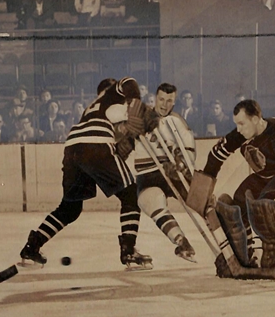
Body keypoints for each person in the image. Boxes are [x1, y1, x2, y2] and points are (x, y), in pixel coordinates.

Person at [19, 77, 152, 269]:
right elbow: (128, 81)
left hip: (73, 145)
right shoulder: (111, 93)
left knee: (69, 209)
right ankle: (129, 251)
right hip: (95, 144)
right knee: (131, 194)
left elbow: (115, 151)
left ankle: (32, 247)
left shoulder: (92, 109)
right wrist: (137, 105)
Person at [199, 99, 275, 275]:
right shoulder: (243, 134)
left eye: (242, 123)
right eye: (236, 124)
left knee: (264, 205)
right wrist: (204, 188)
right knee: (240, 201)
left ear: (256, 119)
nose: (238, 129)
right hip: (268, 175)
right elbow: (216, 155)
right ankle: (246, 255)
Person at [131, 83, 196, 261]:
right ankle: (181, 241)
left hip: (173, 172)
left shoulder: (177, 121)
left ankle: (229, 242)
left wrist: (181, 164)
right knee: (149, 202)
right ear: (155, 98)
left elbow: (189, 149)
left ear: (174, 102)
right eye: (161, 99)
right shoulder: (141, 118)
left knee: (201, 202)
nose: (164, 104)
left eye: (169, 101)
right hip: (148, 174)